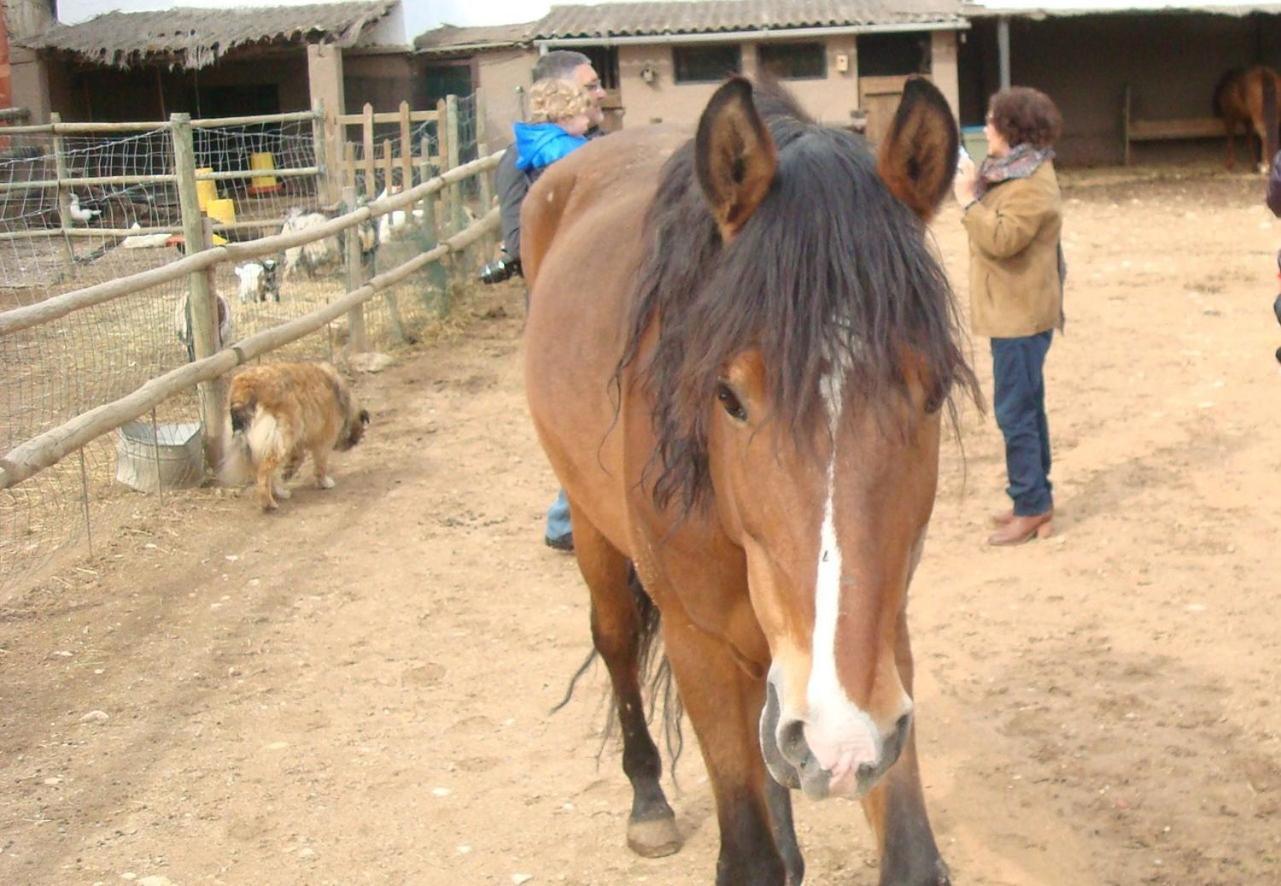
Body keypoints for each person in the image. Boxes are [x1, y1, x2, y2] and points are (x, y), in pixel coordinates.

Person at [494, 53, 605, 554]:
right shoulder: (520, 165)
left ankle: (573, 516)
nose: (601, 94)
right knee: (580, 410)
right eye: (592, 87)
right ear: (564, 100)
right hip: (561, 308)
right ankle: (566, 517)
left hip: (602, 300)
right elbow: (520, 240)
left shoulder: (598, 148)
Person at [953, 86, 1065, 546]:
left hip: (1020, 317)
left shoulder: (1032, 184)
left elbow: (1001, 240)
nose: (986, 128)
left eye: (992, 120)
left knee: (1015, 411)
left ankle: (1031, 506)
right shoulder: (1015, 172)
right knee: (1027, 408)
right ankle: (1034, 496)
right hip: (1016, 312)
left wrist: (966, 201)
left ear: (1012, 129)